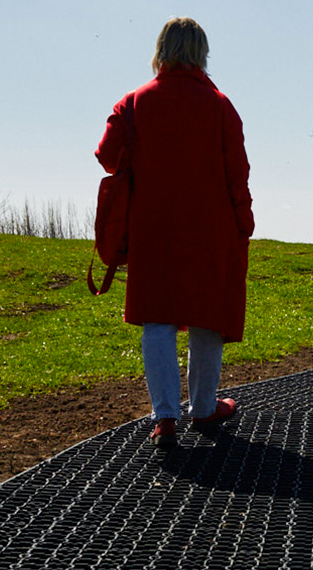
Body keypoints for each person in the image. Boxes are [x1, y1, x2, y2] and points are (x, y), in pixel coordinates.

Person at [96, 17, 254, 448]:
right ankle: (203, 407)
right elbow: (236, 173)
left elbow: (107, 157)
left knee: (158, 317)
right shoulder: (220, 105)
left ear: (161, 50)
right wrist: (245, 222)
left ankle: (165, 417)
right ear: (201, 52)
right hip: (212, 226)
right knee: (207, 316)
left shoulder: (134, 102)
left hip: (154, 227)